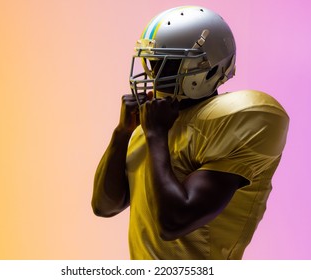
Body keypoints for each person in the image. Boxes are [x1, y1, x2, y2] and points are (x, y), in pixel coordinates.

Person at [92, 6, 289, 259]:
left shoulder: (235, 118)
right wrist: (123, 132)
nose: (156, 73)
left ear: (210, 67)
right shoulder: (154, 124)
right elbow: (104, 206)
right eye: (154, 61)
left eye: (169, 63)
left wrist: (155, 135)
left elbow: (174, 222)